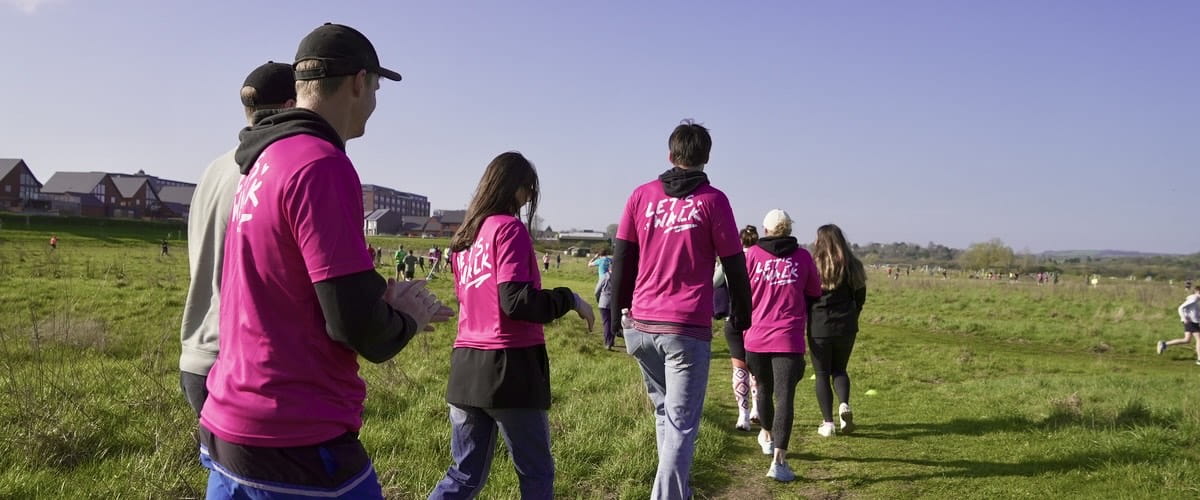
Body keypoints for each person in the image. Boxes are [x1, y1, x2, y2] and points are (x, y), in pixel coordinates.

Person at [198, 24, 453, 499]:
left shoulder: (264, 160)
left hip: (230, 422)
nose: (374, 103)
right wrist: (406, 318)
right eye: (376, 88)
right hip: (295, 437)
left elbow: (291, 281)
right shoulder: (321, 164)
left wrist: (377, 292)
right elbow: (357, 328)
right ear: (359, 82)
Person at [430, 152, 594, 499]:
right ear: (515, 187)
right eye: (529, 190)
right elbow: (516, 302)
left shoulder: (462, 241)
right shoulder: (508, 229)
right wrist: (570, 299)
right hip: (509, 369)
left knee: (464, 475)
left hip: (465, 368)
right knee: (536, 474)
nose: (529, 199)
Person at [610, 120, 752, 499]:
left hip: (639, 325)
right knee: (682, 425)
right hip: (684, 328)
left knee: (666, 417)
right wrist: (743, 310)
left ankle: (678, 492)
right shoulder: (713, 201)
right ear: (706, 158)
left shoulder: (641, 196)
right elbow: (734, 263)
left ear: (671, 155)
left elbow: (622, 257)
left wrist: (613, 313)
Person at [179, 61, 296, 417]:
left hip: (196, 355)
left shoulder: (213, 169)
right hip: (240, 364)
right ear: (293, 106)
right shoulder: (268, 166)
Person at [742, 209, 821, 482]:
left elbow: (739, 293)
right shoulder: (802, 257)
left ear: (765, 230)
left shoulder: (751, 255)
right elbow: (813, 292)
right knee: (784, 396)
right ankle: (779, 461)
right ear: (789, 229)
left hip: (756, 336)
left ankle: (767, 435)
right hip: (788, 337)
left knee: (763, 388)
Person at [808, 224, 867, 438]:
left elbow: (805, 297)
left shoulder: (812, 265)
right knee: (840, 370)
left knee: (822, 373)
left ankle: (828, 423)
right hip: (847, 326)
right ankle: (844, 405)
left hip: (819, 325)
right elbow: (860, 297)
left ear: (820, 241)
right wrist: (853, 315)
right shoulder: (854, 265)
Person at [724, 225, 761, 431]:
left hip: (735, 314)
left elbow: (715, 281)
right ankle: (757, 408)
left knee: (739, 367)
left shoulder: (733, 259)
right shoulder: (761, 258)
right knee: (755, 367)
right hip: (757, 317)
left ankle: (743, 415)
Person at [1157, 285, 1200, 365]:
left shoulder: (1196, 299)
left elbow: (1194, 312)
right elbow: (1180, 308)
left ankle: (1164, 344)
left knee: (1186, 340)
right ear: (1197, 292)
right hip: (1190, 321)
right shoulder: (1194, 299)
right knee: (1199, 339)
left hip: (1193, 321)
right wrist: (1184, 318)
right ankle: (1199, 359)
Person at [597, 266, 615, 350]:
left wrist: (598, 299)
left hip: (604, 302)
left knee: (606, 322)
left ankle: (608, 342)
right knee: (613, 322)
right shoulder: (618, 277)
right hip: (614, 303)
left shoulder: (604, 276)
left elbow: (597, 290)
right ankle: (611, 340)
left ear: (609, 268)